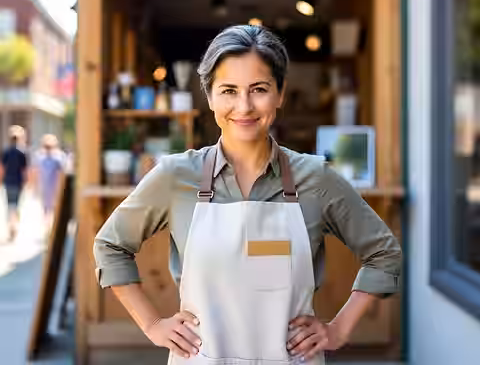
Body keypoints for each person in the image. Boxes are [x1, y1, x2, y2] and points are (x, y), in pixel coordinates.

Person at [94, 25, 402, 365]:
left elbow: (384, 253)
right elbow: (110, 246)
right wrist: (152, 324)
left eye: (259, 89)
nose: (244, 106)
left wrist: (339, 330)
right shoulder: (174, 177)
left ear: (280, 93)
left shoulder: (316, 179)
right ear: (209, 97)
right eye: (228, 90)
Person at [0, 126, 28, 242]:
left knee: (10, 204)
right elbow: (24, 170)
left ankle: (11, 227)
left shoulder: (6, 152)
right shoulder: (22, 153)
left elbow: (2, 169)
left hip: (8, 182)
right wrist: (26, 182)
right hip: (18, 182)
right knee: (16, 205)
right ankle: (14, 226)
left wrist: (1, 180)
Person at [33, 134, 65, 232]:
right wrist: (35, 186)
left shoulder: (58, 158)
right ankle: (48, 228)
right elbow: (36, 173)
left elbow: (62, 173)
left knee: (53, 208)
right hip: (45, 186)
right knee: (46, 208)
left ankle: (50, 228)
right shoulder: (40, 157)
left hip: (54, 186)